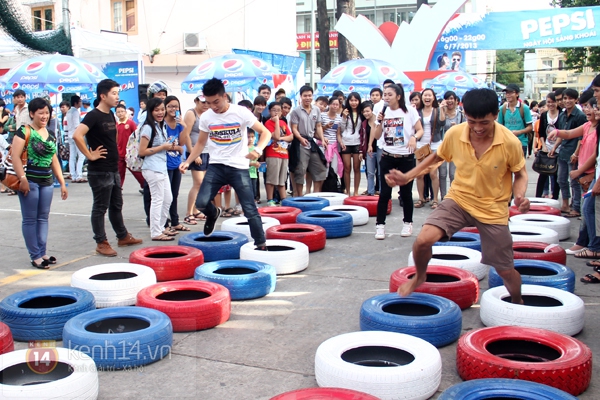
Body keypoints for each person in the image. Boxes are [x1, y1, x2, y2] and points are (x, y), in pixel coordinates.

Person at [388, 88, 529, 304]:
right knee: (423, 240)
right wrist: (408, 176)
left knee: (505, 269)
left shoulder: (510, 142)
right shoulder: (456, 133)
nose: (477, 128)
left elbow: (520, 174)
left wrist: (520, 197)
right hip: (459, 199)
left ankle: (518, 301)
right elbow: (437, 157)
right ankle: (420, 275)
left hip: (493, 208)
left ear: (495, 115)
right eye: (472, 122)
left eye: (484, 122)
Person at [180, 78, 272, 250]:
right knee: (201, 203)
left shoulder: (241, 112)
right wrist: (188, 161)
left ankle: (261, 244)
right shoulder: (207, 116)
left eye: (216, 102)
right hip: (216, 166)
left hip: (239, 166)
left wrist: (258, 150)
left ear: (225, 96)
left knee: (249, 209)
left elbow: (265, 132)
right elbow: (200, 143)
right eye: (208, 103)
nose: (213, 106)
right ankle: (213, 213)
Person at [72, 79, 143, 256]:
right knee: (100, 207)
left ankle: (122, 236)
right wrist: (90, 155)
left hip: (113, 167)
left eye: (118, 93)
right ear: (103, 96)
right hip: (99, 170)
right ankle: (101, 242)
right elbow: (77, 135)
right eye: (113, 93)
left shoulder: (111, 115)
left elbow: (115, 136)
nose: (117, 96)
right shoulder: (93, 115)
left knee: (116, 204)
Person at [10, 97, 68, 269]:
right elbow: (15, 157)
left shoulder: (49, 134)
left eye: (47, 113)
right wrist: (23, 179)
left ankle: (42, 252)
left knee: (43, 218)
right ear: (32, 113)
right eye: (40, 113)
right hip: (30, 181)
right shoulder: (24, 131)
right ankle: (35, 255)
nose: (44, 116)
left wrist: (62, 183)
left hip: (47, 182)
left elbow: (54, 160)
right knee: (30, 219)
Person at [372, 84, 423, 239]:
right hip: (387, 156)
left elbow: (420, 130)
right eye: (385, 94)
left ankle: (408, 223)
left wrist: (414, 137)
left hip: (406, 158)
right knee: (385, 193)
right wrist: (379, 122)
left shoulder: (410, 111)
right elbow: (376, 135)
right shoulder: (383, 111)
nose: (386, 97)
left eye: (389, 95)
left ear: (398, 96)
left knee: (406, 193)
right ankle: (380, 226)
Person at [138, 97, 175, 241]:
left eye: (162, 109)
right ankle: (155, 232)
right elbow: (142, 151)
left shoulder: (161, 125)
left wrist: (168, 145)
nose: (160, 112)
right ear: (150, 111)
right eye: (156, 110)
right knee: (158, 199)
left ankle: (160, 227)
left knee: (168, 199)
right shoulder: (148, 127)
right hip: (152, 168)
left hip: (161, 167)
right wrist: (163, 147)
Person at [290, 85, 329, 196]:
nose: (307, 98)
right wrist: (300, 138)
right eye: (305, 96)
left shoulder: (316, 110)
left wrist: (322, 139)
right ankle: (299, 195)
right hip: (300, 143)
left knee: (320, 168)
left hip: (312, 142)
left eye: (309, 95)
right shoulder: (296, 111)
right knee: (300, 170)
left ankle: (315, 195)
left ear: (312, 96)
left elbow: (319, 126)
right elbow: (294, 128)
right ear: (301, 96)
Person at [555, 88, 587, 218]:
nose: (567, 101)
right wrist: (555, 147)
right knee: (561, 179)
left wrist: (576, 153)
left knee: (574, 181)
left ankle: (576, 207)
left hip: (573, 153)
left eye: (570, 98)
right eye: (565, 98)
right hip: (563, 151)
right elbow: (562, 133)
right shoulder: (562, 115)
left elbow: (581, 137)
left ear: (575, 100)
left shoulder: (580, 116)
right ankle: (565, 204)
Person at [181, 92, 210, 225]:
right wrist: (194, 154)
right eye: (202, 102)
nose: (205, 105)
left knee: (202, 184)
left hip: (207, 152)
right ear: (196, 101)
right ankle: (188, 213)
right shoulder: (191, 114)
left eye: (206, 102)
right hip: (195, 152)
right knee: (198, 183)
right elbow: (186, 135)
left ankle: (196, 210)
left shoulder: (207, 114)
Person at [414, 89, 446, 209]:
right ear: (422, 98)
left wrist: (442, 108)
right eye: (425, 95)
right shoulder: (417, 111)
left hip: (435, 145)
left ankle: (435, 199)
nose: (427, 97)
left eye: (429, 95)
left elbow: (442, 123)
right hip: (421, 145)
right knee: (419, 174)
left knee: (433, 174)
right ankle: (421, 198)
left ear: (433, 98)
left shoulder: (437, 110)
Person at [163, 95, 189, 233]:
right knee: (165, 196)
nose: (173, 109)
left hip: (176, 164)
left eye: (176, 106)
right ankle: (164, 223)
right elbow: (163, 145)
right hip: (163, 165)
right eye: (170, 106)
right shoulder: (162, 124)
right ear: (165, 108)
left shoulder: (179, 124)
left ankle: (175, 221)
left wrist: (184, 126)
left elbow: (182, 143)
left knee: (174, 194)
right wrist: (177, 148)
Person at [264, 102, 293, 206]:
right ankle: (270, 200)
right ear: (269, 111)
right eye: (274, 110)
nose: (276, 112)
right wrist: (276, 122)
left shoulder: (283, 123)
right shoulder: (268, 123)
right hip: (272, 154)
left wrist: (281, 138)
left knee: (282, 180)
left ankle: (284, 199)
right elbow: (275, 136)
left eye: (278, 110)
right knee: (272, 179)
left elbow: (291, 137)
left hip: (284, 154)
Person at [535, 93, 560, 200]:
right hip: (546, 148)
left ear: (557, 102)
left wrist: (555, 148)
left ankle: (555, 198)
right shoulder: (544, 115)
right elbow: (540, 133)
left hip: (559, 148)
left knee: (556, 176)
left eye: (553, 101)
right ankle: (538, 197)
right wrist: (544, 146)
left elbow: (563, 132)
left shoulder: (562, 114)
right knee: (543, 174)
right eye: (548, 102)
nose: (551, 104)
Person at [497, 84, 533, 157]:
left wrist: (519, 132)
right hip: (506, 142)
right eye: (507, 93)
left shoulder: (524, 108)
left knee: (519, 167)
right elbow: (499, 127)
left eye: (511, 92)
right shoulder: (502, 109)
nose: (508, 95)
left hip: (521, 142)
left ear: (517, 94)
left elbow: (530, 127)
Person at [439, 91, 462, 200]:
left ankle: (453, 198)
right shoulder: (441, 112)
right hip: (443, 146)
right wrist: (442, 110)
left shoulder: (460, 114)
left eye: (452, 98)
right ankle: (443, 198)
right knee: (442, 174)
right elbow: (441, 124)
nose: (450, 101)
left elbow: (466, 129)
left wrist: (457, 127)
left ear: (456, 101)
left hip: (456, 147)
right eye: (447, 98)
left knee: (453, 174)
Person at [339, 92, 364, 196]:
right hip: (346, 142)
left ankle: (356, 191)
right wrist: (344, 117)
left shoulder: (361, 113)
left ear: (359, 101)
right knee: (347, 168)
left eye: (356, 100)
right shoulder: (345, 112)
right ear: (348, 101)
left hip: (358, 142)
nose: (354, 103)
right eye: (351, 100)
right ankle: (348, 191)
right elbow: (342, 129)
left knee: (357, 168)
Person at [115, 104, 144, 189]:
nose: (120, 113)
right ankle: (118, 188)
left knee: (135, 171)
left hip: (130, 152)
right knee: (120, 172)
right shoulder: (116, 125)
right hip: (120, 152)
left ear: (125, 112)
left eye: (122, 111)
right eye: (118, 112)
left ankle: (144, 185)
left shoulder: (130, 123)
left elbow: (136, 135)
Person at [361, 101, 381, 196]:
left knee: (381, 173)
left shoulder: (379, 120)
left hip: (380, 149)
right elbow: (362, 137)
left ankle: (382, 192)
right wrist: (363, 149)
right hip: (370, 151)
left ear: (372, 110)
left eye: (367, 111)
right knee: (370, 173)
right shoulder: (364, 123)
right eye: (364, 112)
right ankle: (370, 192)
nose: (366, 113)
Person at [321, 96, 343, 181]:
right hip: (323, 144)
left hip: (334, 146)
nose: (335, 106)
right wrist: (325, 127)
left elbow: (338, 134)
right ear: (329, 105)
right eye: (333, 104)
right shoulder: (322, 116)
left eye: (337, 105)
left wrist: (341, 143)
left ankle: (332, 186)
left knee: (334, 168)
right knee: (324, 168)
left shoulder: (339, 118)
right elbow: (318, 131)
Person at [66, 95, 86, 183]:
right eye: (80, 101)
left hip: (70, 135)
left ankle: (73, 175)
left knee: (72, 156)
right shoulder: (75, 112)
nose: (81, 103)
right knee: (81, 155)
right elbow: (77, 125)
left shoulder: (69, 111)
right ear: (76, 102)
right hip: (76, 135)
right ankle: (79, 175)